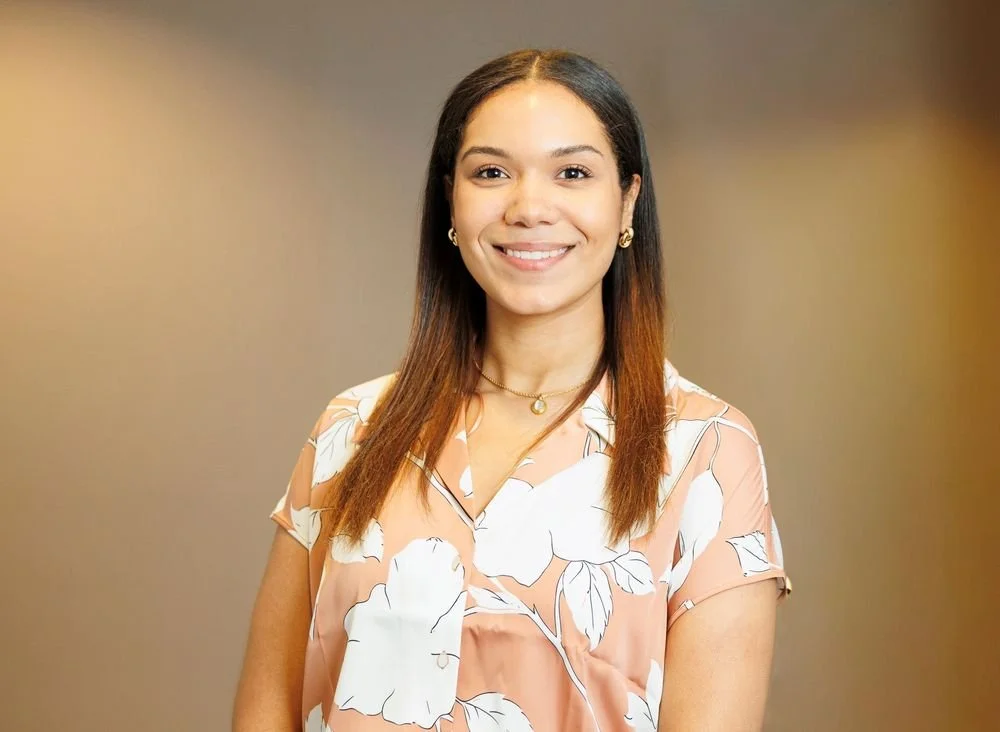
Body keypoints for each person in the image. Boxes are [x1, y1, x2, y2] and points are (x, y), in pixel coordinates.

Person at [233, 48, 791, 732]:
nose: (529, 207)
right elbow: (267, 711)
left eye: (573, 172)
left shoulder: (708, 452)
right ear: (452, 201)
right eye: (491, 172)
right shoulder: (351, 430)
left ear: (627, 205)